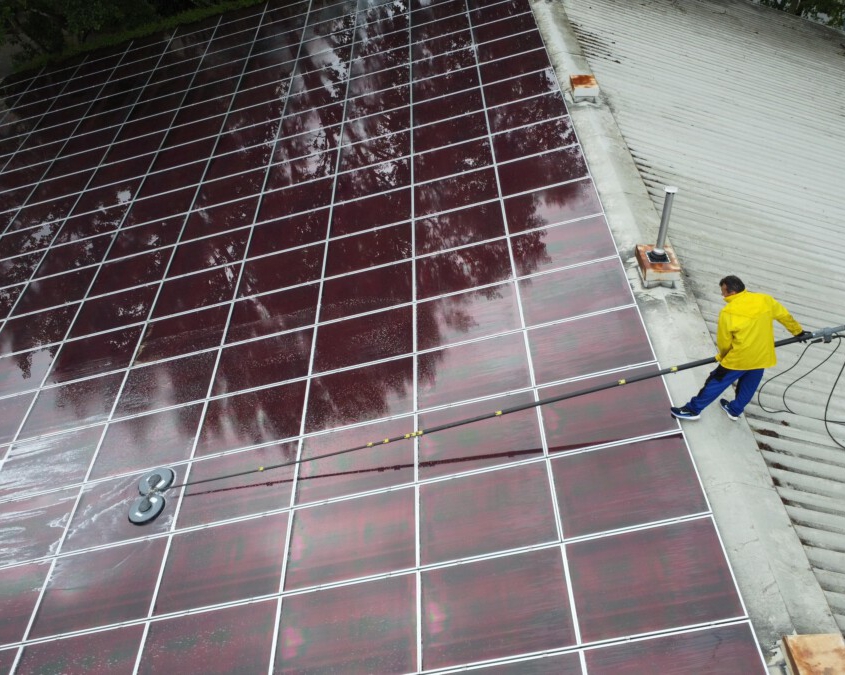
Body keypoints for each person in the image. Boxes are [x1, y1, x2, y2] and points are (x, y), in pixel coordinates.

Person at [671, 275, 810, 421]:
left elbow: (724, 341)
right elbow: (785, 316)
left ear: (731, 292)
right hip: (762, 356)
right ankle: (734, 409)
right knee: (749, 386)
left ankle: (692, 410)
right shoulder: (764, 299)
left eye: (723, 291)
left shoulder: (728, 311)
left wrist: (723, 358)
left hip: (739, 358)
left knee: (716, 382)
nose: (721, 294)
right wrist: (798, 332)